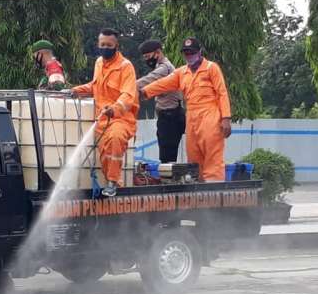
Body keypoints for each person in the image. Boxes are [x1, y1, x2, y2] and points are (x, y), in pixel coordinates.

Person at [141, 37, 231, 181]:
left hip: (210, 116)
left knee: (212, 155)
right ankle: (198, 192)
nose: (189, 56)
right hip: (192, 118)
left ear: (200, 52)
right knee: (194, 157)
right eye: (186, 53)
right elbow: (163, 84)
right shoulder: (181, 72)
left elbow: (222, 92)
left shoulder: (211, 68)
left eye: (192, 52)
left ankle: (214, 191)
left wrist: (226, 118)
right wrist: (144, 92)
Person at [71, 28, 139, 197]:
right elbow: (95, 86)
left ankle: (113, 183)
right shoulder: (99, 63)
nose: (105, 48)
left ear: (116, 45)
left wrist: (114, 108)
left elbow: (128, 95)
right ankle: (117, 188)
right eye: (102, 44)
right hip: (101, 120)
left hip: (121, 118)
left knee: (115, 140)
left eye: (109, 45)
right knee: (105, 157)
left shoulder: (125, 66)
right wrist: (75, 90)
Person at [136, 39, 185, 163]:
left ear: (157, 52)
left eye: (148, 56)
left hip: (171, 116)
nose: (147, 60)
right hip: (168, 116)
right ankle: (169, 179)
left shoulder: (165, 69)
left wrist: (125, 87)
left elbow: (147, 81)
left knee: (167, 156)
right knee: (167, 154)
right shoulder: (161, 67)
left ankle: (170, 181)